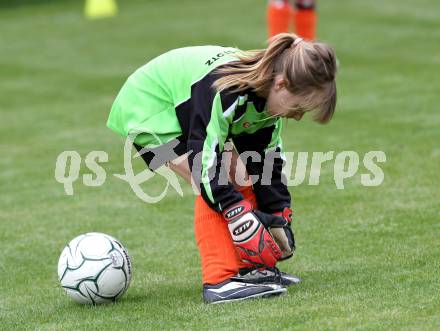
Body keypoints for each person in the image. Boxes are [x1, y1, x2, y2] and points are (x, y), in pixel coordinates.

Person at [107, 33, 337, 304]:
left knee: (242, 175)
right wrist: (236, 212)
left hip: (182, 108)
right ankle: (219, 281)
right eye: (299, 107)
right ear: (281, 84)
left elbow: (267, 163)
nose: (298, 116)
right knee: (212, 178)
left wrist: (279, 214)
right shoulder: (224, 91)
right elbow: (206, 165)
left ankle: (252, 270)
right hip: (148, 109)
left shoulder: (268, 106)